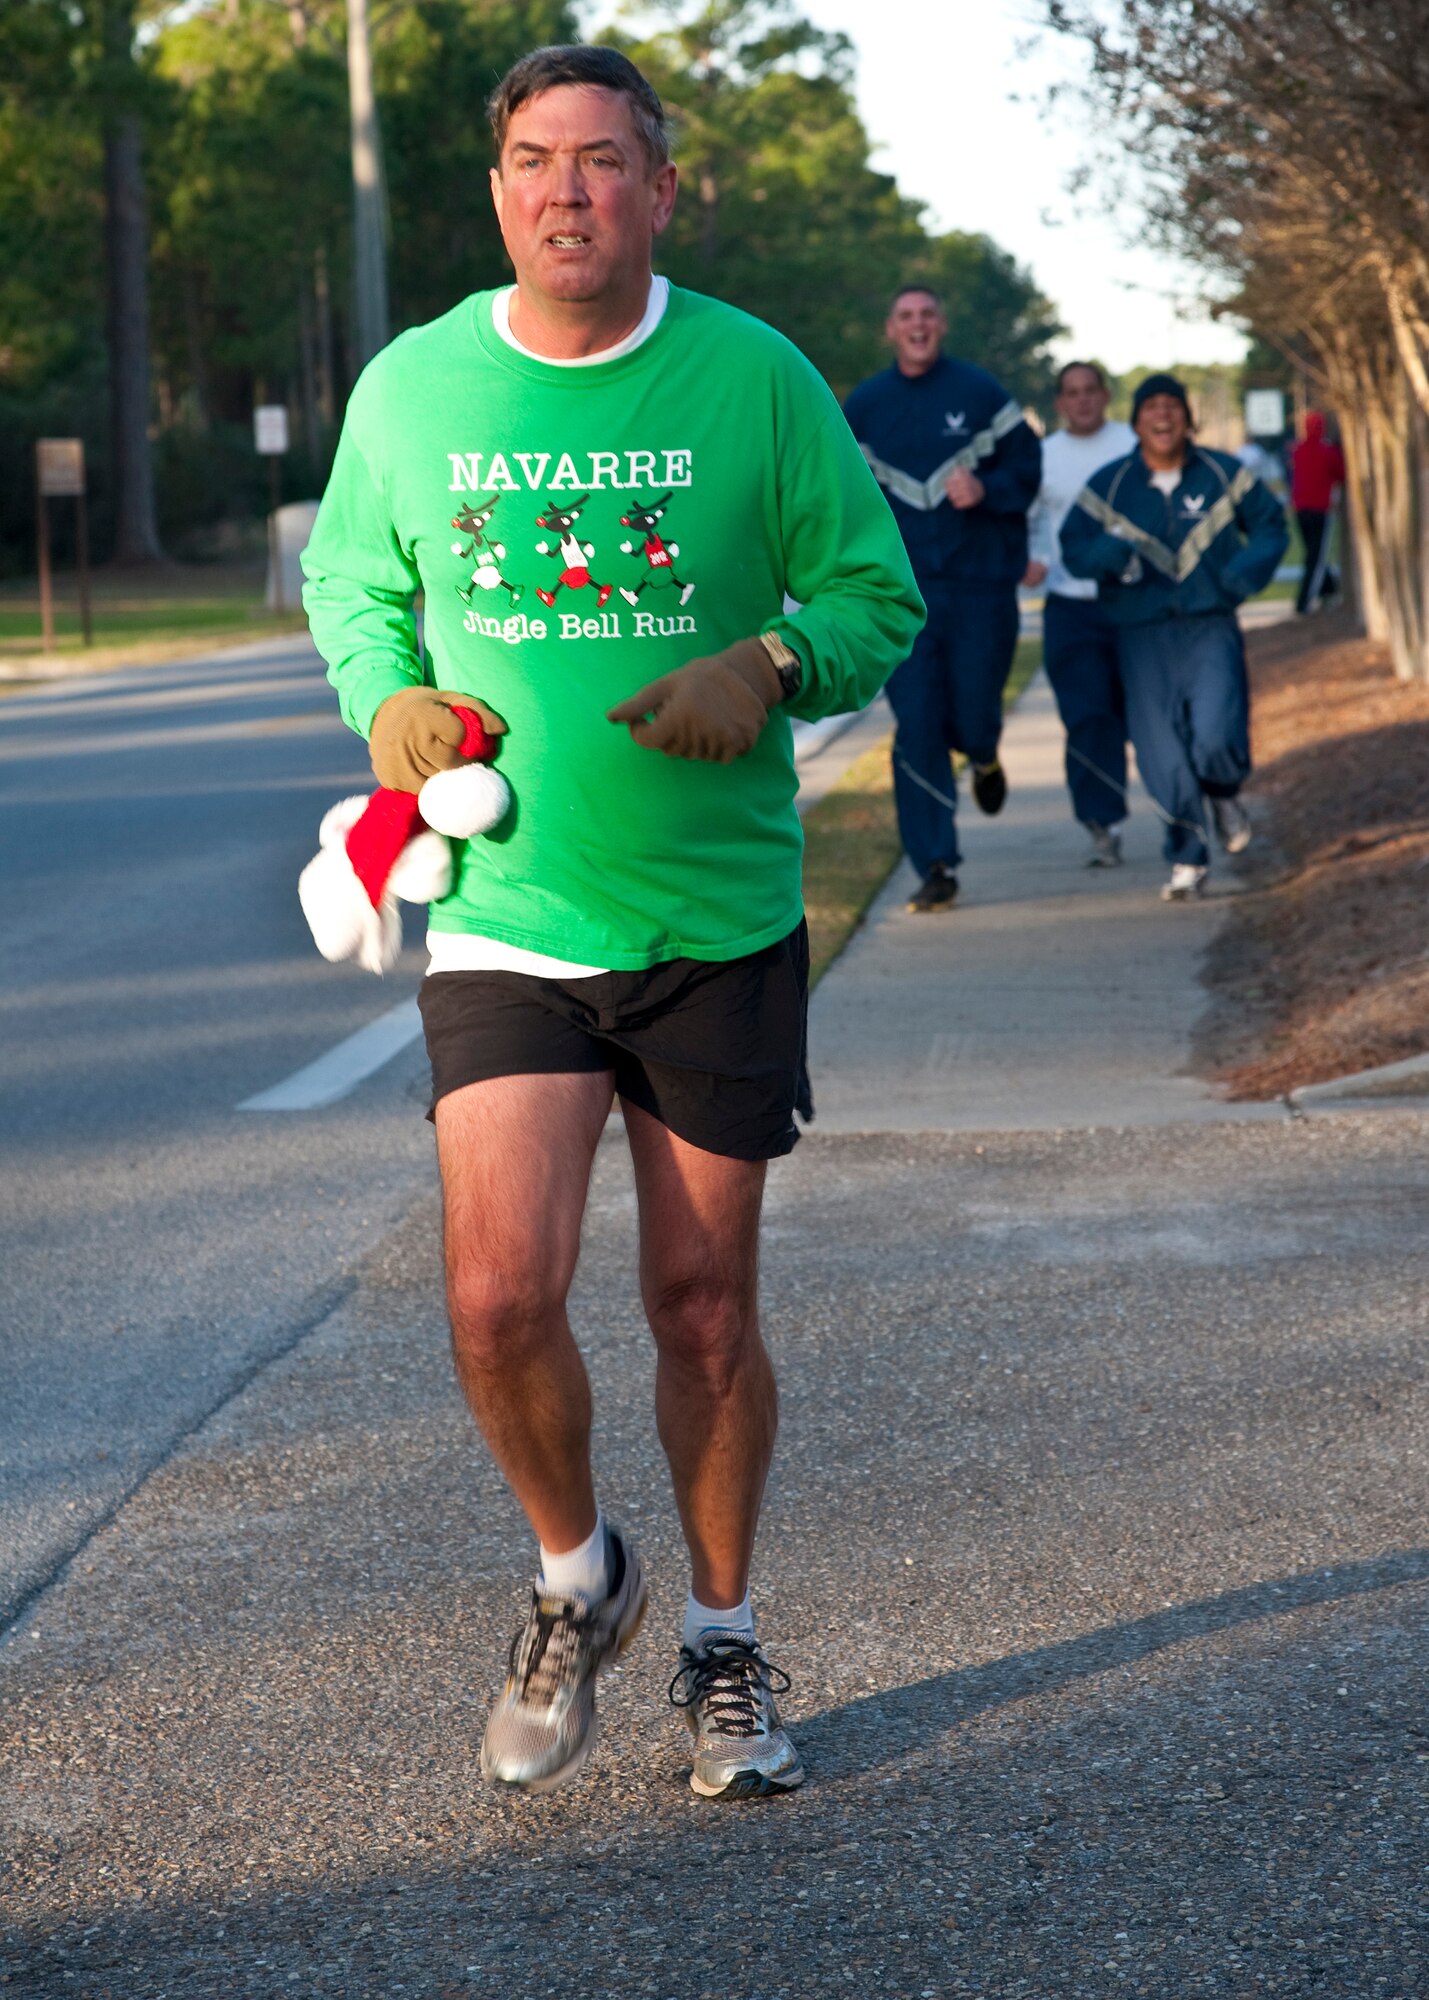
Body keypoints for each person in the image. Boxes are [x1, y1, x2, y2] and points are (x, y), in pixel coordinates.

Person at [301, 43, 922, 1801]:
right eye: (527, 160)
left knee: (699, 1302)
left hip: (711, 914)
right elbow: (359, 582)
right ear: (493, 191)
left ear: (660, 188)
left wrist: (771, 661)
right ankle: (583, 1577)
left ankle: (722, 1640)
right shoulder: (414, 388)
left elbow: (873, 592)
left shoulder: (754, 376)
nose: (562, 190)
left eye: (597, 161)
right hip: (505, 909)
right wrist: (387, 703)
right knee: (497, 1295)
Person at [844, 287, 1042, 912]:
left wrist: (986, 488)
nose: (918, 325)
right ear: (890, 330)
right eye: (906, 316)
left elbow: (1028, 472)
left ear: (943, 324)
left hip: (980, 587)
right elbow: (835, 493)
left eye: (928, 314)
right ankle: (935, 864)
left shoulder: (982, 395)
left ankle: (983, 752)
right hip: (901, 597)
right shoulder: (865, 407)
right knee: (919, 724)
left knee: (974, 713)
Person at [1059, 372, 1288, 902]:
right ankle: (1187, 858)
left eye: (1172, 407)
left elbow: (1272, 526)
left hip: (1209, 626)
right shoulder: (1111, 485)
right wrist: (1110, 557)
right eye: (1151, 408)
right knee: (1162, 751)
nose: (1162, 416)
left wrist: (1240, 576)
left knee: (1215, 735)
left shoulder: (1222, 472)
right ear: (1136, 421)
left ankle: (1224, 792)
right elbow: (1074, 546)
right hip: (1140, 634)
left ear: (1187, 418)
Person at [1024, 361, 1137, 866]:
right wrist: (1033, 561)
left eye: (1091, 390)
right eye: (1072, 393)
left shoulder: (1134, 447)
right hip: (1071, 606)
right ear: (1059, 403)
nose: (1082, 400)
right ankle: (1102, 823)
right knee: (1088, 716)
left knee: (1143, 715)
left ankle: (1188, 808)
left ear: (1106, 395)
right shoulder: (1043, 457)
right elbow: (1024, 520)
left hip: (1134, 604)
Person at [1289, 410, 1345, 615]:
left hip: (1300, 510)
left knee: (1313, 553)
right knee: (1316, 556)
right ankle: (1303, 603)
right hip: (1320, 510)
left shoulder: (1298, 450)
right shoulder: (1327, 452)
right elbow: (1341, 473)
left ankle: (1328, 589)